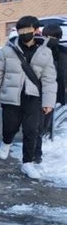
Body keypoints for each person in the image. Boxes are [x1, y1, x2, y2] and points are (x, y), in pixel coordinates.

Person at [0, 16, 57, 179]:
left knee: (31, 131)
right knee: (10, 127)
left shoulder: (45, 52)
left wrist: (48, 102)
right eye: (22, 30)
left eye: (28, 30)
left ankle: (27, 163)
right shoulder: (6, 51)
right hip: (11, 97)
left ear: (35, 31)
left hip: (33, 98)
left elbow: (49, 79)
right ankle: (6, 141)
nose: (25, 33)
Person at [34, 24, 67, 162]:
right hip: (41, 93)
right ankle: (36, 153)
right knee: (38, 124)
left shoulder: (62, 52)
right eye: (49, 37)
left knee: (41, 124)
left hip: (49, 93)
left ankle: (36, 152)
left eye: (55, 37)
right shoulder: (39, 49)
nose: (52, 39)